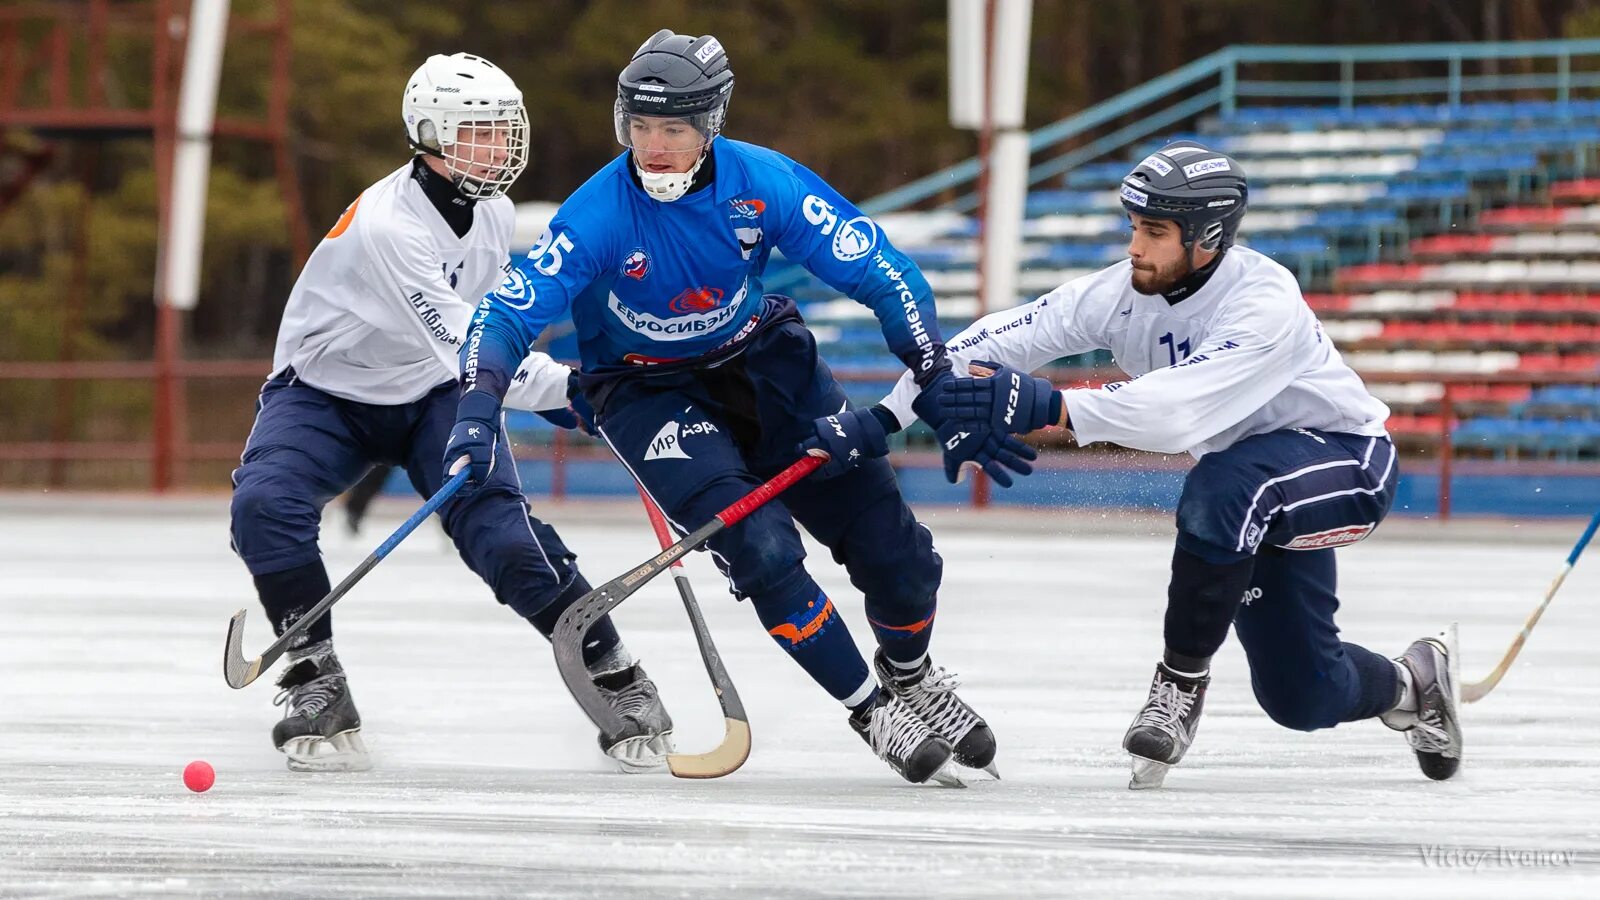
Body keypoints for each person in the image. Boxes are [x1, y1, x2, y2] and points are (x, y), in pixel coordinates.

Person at [445, 30, 1032, 785]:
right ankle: (868, 708)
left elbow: (883, 270)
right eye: (641, 126)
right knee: (760, 548)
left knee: (899, 559)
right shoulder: (596, 213)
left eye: (675, 129)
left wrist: (929, 363)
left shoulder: (765, 183)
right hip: (646, 393)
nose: (654, 147)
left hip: (763, 362)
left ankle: (911, 675)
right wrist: (476, 404)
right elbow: (504, 316)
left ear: (711, 124)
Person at [873, 141, 1462, 788]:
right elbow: (995, 340)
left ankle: (1177, 684)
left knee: (1221, 485)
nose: (1135, 247)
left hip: (1347, 462)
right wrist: (883, 419)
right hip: (1251, 493)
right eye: (1132, 227)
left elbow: (1177, 415)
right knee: (1303, 696)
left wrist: (1053, 405)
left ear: (1206, 237)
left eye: (1154, 231)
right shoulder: (1119, 292)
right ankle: (1415, 685)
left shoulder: (1264, 301)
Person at [230, 53, 672, 774]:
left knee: (502, 536)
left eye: (504, 131)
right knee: (263, 505)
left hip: (434, 394)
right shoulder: (388, 228)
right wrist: (565, 390)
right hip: (326, 395)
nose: (499, 148)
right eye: (479, 133)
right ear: (430, 135)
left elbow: (491, 329)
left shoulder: (493, 212)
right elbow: (468, 344)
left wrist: (573, 385)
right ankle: (315, 679)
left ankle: (617, 674)